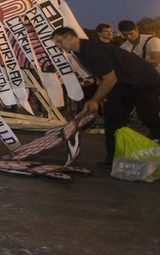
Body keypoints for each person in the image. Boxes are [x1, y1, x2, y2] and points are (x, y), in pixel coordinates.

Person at [51, 26, 160, 168]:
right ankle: (113, 158)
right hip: (122, 85)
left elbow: (110, 78)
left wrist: (95, 100)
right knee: (113, 120)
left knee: (147, 116)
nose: (59, 46)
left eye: (59, 42)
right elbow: (101, 77)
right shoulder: (79, 53)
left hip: (143, 81)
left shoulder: (92, 49)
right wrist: (102, 96)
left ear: (70, 37)